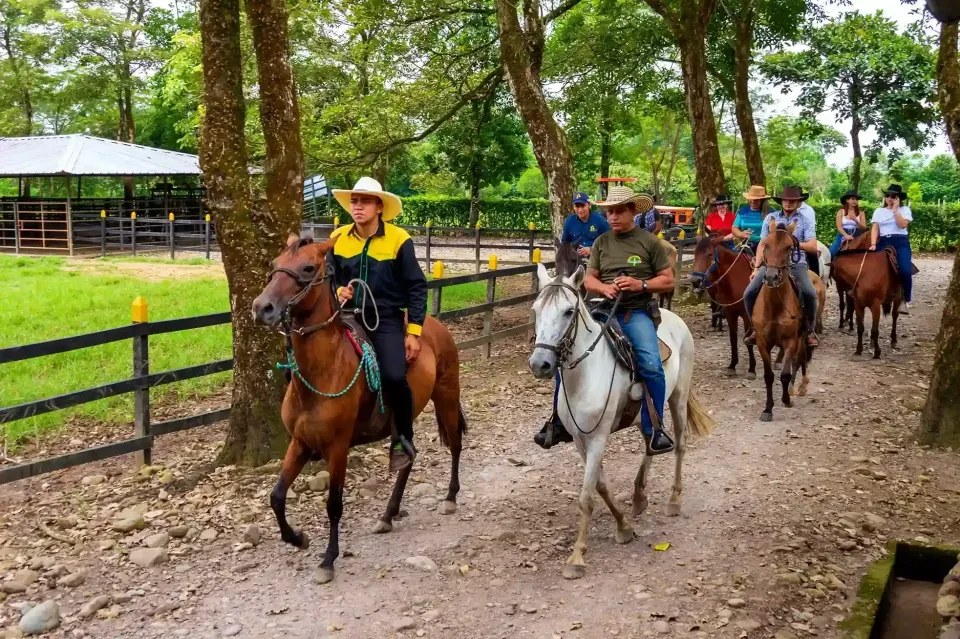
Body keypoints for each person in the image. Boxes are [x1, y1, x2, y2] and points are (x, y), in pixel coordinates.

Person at [330, 177, 427, 473]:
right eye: (354, 201)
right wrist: (337, 291)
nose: (357, 206)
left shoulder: (399, 240)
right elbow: (329, 277)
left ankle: (403, 439)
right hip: (345, 316)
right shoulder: (338, 237)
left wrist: (413, 331)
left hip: (384, 318)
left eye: (365, 201)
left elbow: (417, 287)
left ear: (379, 207)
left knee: (395, 375)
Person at [586, 186, 676, 454]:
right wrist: (604, 288)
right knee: (564, 352)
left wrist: (641, 285)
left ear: (632, 212)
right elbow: (590, 278)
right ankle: (557, 420)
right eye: (609, 211)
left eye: (617, 211)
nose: (612, 216)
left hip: (635, 312)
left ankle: (655, 428)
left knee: (651, 365)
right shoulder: (601, 242)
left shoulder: (649, 242)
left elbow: (668, 280)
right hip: (602, 309)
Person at [742, 185, 820, 348]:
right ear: (781, 202)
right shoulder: (770, 218)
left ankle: (810, 331)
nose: (789, 203)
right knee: (748, 292)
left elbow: (813, 246)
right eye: (786, 200)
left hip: (796, 263)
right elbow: (762, 245)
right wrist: (756, 269)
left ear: (799, 203)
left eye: (793, 201)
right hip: (771, 264)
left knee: (810, 293)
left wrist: (795, 243)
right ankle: (754, 327)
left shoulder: (805, 221)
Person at [869, 183, 913, 311]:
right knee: (870, 266)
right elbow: (875, 229)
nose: (890, 198)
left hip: (900, 241)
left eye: (893, 196)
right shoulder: (879, 211)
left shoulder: (905, 210)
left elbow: (902, 225)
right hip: (883, 241)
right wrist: (873, 244)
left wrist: (895, 210)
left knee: (905, 270)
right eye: (888, 195)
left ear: (899, 198)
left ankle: (905, 300)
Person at [561, 191, 610, 258]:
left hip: (597, 258)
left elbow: (609, 241)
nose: (580, 210)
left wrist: (591, 249)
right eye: (577, 206)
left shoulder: (600, 220)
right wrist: (573, 250)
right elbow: (565, 242)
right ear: (573, 207)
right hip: (575, 259)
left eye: (583, 206)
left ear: (589, 205)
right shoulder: (569, 221)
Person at [733, 185, 775, 253]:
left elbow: (776, 230)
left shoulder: (771, 212)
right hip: (746, 246)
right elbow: (734, 228)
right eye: (750, 199)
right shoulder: (743, 211)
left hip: (765, 247)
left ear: (762, 200)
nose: (752, 201)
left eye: (756, 200)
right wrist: (741, 234)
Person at [829, 190, 867, 258]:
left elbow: (864, 228)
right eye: (853, 199)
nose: (855, 201)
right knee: (831, 252)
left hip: (857, 235)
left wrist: (855, 220)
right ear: (847, 200)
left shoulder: (861, 213)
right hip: (843, 234)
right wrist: (846, 235)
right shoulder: (841, 212)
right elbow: (839, 227)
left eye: (856, 199)